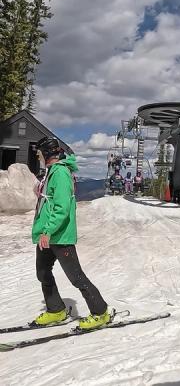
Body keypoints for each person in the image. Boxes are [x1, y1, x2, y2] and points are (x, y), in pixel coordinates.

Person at [31, 136, 110, 330]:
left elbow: (62, 208)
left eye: (40, 153)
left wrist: (47, 231)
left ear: (48, 153)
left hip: (59, 235)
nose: (38, 156)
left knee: (76, 277)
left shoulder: (60, 173)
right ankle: (55, 310)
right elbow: (50, 200)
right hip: (48, 235)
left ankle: (100, 313)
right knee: (43, 273)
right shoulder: (51, 172)